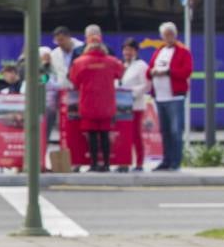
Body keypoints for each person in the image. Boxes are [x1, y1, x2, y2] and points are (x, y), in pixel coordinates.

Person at [69, 39, 123, 172]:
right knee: (105, 134)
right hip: (107, 104)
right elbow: (120, 74)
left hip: (88, 103)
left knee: (92, 135)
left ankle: (93, 164)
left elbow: (74, 81)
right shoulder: (112, 61)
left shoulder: (79, 62)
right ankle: (106, 164)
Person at [150, 21, 194, 171]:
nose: (168, 37)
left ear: (175, 35)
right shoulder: (159, 51)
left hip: (175, 98)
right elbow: (149, 69)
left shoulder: (183, 52)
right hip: (160, 97)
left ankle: (175, 162)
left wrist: (168, 72)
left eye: (170, 34)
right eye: (165, 35)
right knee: (165, 131)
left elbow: (186, 72)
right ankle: (166, 160)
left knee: (175, 131)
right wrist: (152, 72)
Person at [119, 38, 150, 172]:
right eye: (125, 50)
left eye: (130, 50)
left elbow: (147, 85)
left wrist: (131, 94)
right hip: (120, 106)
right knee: (123, 136)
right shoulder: (120, 65)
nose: (127, 52)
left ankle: (139, 163)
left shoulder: (141, 65)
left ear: (136, 51)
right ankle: (124, 163)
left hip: (135, 105)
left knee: (135, 135)